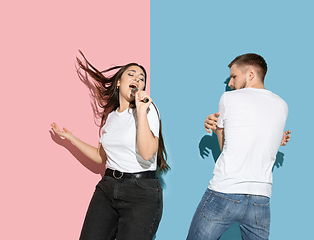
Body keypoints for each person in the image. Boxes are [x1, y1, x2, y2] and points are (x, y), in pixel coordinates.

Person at [51, 51, 169, 240]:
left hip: (141, 192)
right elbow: (100, 156)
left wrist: (140, 112)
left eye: (142, 78)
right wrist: (71, 138)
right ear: (119, 82)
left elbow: (147, 154)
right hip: (108, 187)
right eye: (131, 74)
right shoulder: (111, 117)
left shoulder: (148, 110)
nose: (137, 79)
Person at [186, 53, 289, 240]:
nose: (231, 83)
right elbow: (260, 136)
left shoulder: (228, 98)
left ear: (250, 74)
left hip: (225, 191)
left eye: (234, 76)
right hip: (261, 197)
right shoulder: (282, 105)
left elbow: (225, 146)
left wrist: (217, 127)